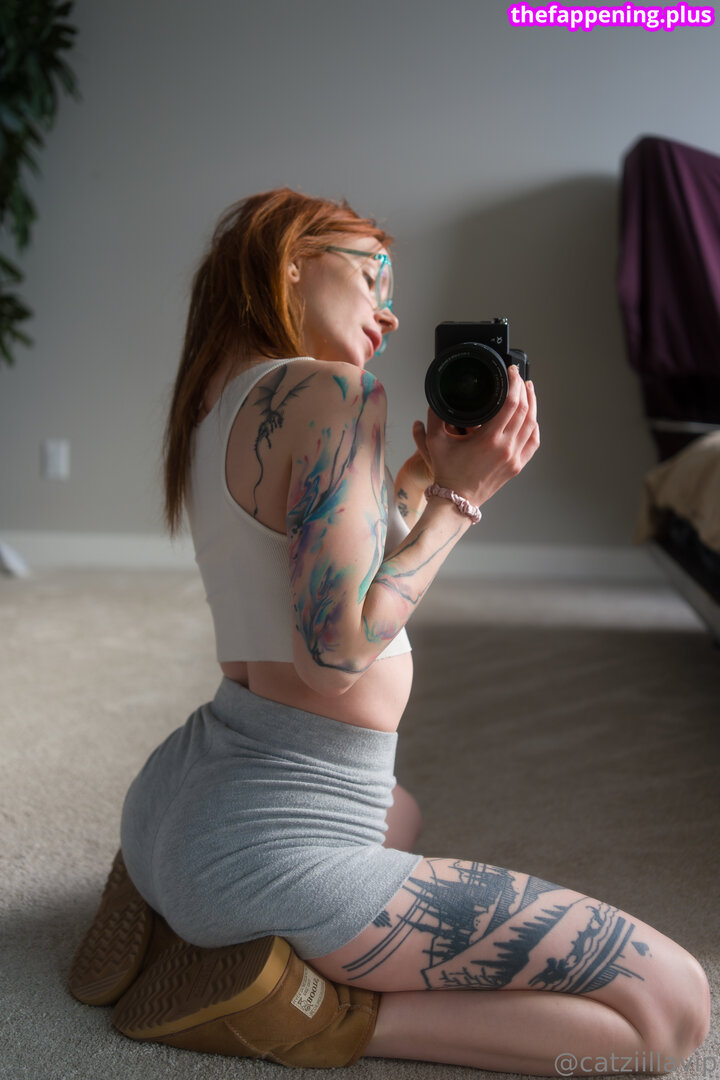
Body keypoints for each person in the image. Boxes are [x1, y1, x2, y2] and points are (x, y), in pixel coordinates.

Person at [69, 188, 709, 1072]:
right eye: (373, 275)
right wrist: (462, 500)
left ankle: (170, 895)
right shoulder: (332, 392)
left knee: (399, 809)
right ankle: (314, 1010)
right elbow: (335, 653)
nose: (391, 309)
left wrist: (420, 473)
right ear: (292, 261)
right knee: (672, 1012)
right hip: (268, 844)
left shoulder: (219, 401)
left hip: (183, 790)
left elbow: (318, 546)